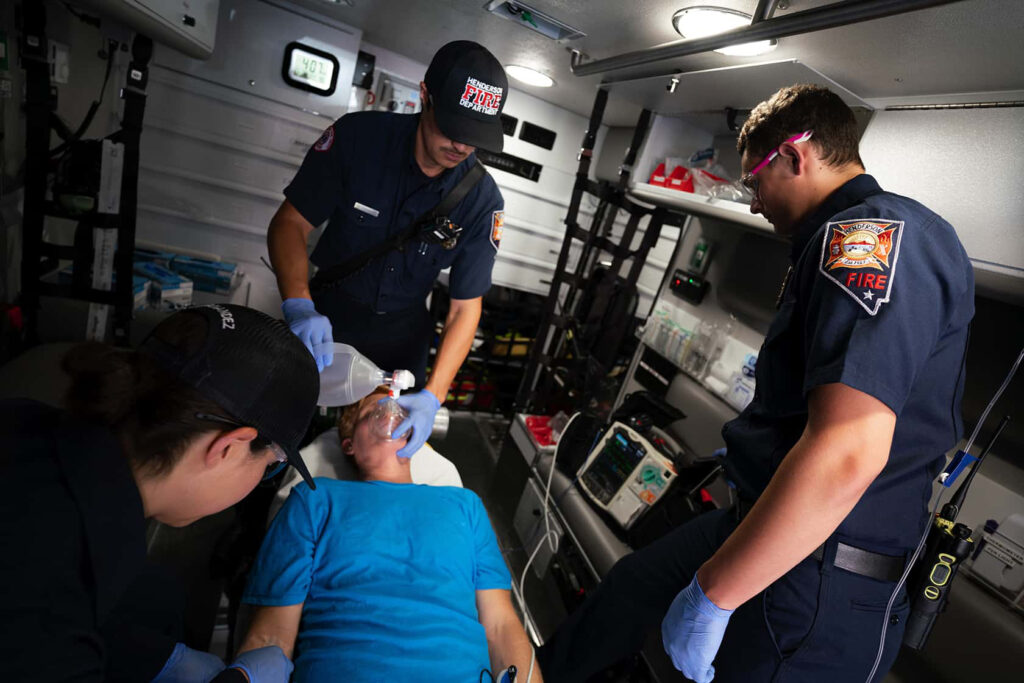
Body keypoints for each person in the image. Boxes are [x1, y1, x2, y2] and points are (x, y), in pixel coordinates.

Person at [536, 84, 974, 683]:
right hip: (760, 519)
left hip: (819, 574)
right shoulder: (833, 240)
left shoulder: (868, 240)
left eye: (755, 181)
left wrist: (715, 595)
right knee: (627, 594)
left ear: (797, 156)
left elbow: (849, 451)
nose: (752, 202)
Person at [0, 304, 322, 682]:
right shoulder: (47, 586)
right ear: (228, 447)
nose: (263, 476)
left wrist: (155, 659)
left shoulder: (25, 420)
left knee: (155, 596)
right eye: (271, 466)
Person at [269, 40, 509, 460]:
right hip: (326, 317)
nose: (461, 146)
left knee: (382, 452)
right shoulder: (357, 139)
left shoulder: (481, 200)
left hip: (403, 336)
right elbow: (290, 222)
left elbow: (464, 308)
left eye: (474, 137)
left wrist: (434, 395)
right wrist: (298, 303)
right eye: (452, 128)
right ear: (424, 96)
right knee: (285, 435)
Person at [235, 388, 542, 682]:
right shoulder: (315, 499)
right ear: (349, 444)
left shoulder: (465, 505)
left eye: (402, 410)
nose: (392, 412)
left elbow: (501, 625)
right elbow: (271, 635)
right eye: (373, 411)